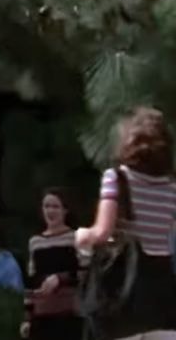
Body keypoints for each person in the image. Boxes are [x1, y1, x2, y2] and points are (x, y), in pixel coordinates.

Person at [76, 107, 176, 339]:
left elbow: (102, 232)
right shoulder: (172, 187)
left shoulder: (117, 178)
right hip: (163, 286)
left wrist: (81, 236)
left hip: (125, 286)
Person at [22, 189, 82, 340]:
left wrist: (60, 278)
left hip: (69, 314)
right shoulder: (35, 242)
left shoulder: (75, 238)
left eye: (55, 206)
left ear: (65, 210)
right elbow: (32, 280)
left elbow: (85, 273)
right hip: (42, 316)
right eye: (46, 206)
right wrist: (27, 318)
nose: (50, 211)